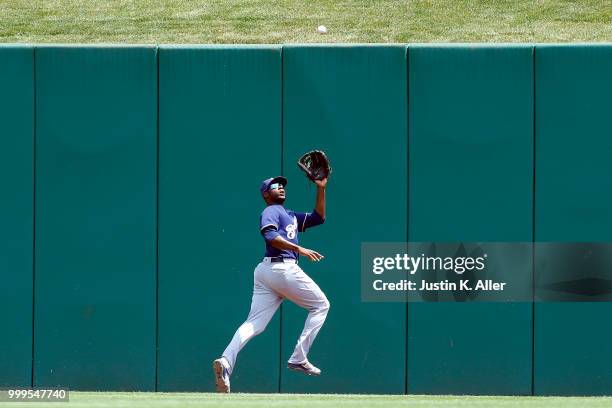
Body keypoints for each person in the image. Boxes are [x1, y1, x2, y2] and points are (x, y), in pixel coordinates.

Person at [212, 175, 330, 393]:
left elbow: (318, 217)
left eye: (283, 185)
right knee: (321, 305)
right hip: (282, 268)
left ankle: (226, 363)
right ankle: (298, 357)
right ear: (266, 194)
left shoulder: (289, 214)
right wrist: (300, 249)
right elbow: (270, 236)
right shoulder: (271, 211)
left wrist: (320, 188)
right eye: (275, 186)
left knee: (254, 323)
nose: (281, 188)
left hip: (267, 272)